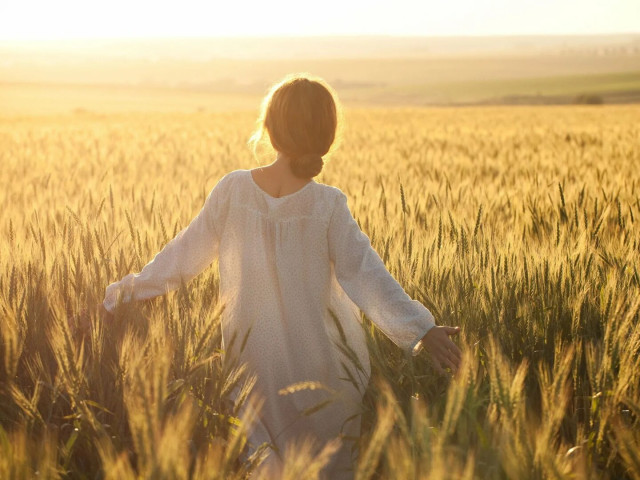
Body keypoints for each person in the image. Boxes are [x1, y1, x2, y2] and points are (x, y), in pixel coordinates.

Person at [101, 73, 462, 479]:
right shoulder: (327, 204)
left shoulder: (233, 191)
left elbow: (180, 258)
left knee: (263, 469)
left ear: (270, 130)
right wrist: (420, 331)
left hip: (253, 372)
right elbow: (367, 277)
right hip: (327, 374)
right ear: (326, 137)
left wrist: (119, 295)